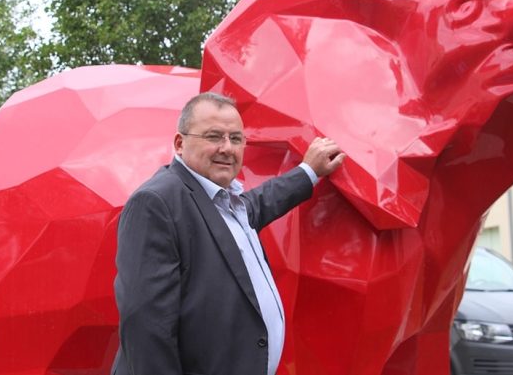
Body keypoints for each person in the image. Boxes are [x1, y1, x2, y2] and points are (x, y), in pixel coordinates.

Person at [111, 92, 345, 375]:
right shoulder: (157, 202)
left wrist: (309, 171)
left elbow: (262, 203)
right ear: (179, 143)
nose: (227, 148)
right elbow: (145, 328)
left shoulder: (226, 202)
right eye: (213, 137)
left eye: (236, 139)